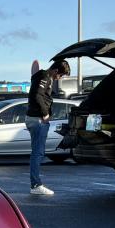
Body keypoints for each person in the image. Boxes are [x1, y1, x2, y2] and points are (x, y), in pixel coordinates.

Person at [26, 58, 70, 196]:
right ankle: (36, 185)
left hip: (33, 118)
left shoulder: (41, 77)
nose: (59, 78)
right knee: (38, 153)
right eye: (60, 75)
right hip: (38, 119)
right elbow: (37, 95)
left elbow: (38, 92)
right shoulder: (45, 76)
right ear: (56, 71)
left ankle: (35, 183)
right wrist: (45, 114)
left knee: (37, 152)